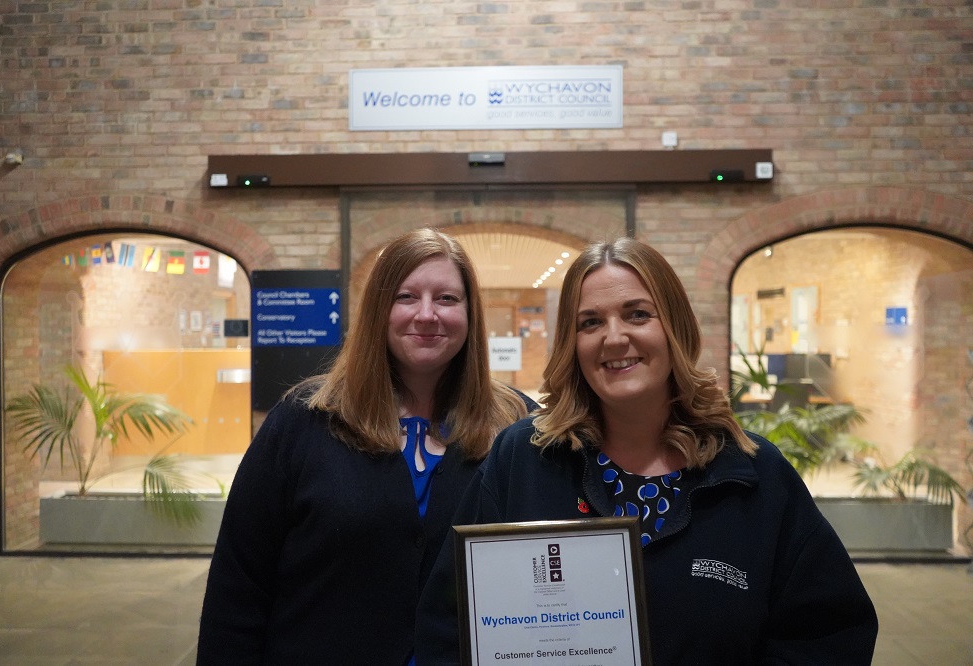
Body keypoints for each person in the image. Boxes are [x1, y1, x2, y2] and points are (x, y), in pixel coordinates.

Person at [415, 237, 878, 665]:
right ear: (572, 344)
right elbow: (450, 624)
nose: (614, 337)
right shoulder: (523, 460)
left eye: (637, 314)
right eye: (590, 322)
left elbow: (828, 634)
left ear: (675, 327)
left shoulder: (755, 474)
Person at [197, 228, 536, 665]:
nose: (427, 314)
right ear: (378, 310)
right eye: (406, 297)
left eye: (447, 298)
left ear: (470, 313)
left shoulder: (516, 425)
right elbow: (239, 584)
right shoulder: (304, 419)